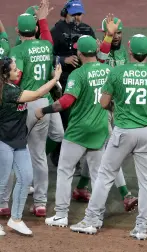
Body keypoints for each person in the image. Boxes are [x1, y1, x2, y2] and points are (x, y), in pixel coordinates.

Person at [70, 34, 147, 240]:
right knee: (146, 182)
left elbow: (103, 103)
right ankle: (141, 228)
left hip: (124, 131)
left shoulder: (117, 72)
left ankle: (92, 220)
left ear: (130, 52)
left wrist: (116, 104)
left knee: (105, 175)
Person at [30, 35, 107, 227]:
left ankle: (61, 215)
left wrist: (43, 110)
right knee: (98, 175)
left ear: (80, 53)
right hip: (100, 128)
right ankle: (97, 216)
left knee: (65, 170)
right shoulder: (107, 70)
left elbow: (65, 102)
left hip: (78, 131)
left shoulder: (78, 74)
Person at [71, 15, 138, 212]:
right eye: (112, 32)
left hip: (119, 108)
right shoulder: (99, 51)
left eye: (119, 32)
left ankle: (82, 187)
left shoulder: (124, 53)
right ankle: (126, 195)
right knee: (110, 151)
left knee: (99, 149)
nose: (116, 36)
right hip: (100, 107)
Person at [8, 5, 64, 218]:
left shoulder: (18, 51)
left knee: (15, 150)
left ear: (18, 30)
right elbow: (49, 55)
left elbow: (17, 77)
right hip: (46, 99)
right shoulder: (47, 46)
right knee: (39, 154)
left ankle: (8, 200)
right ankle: (40, 203)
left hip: (27, 103)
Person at [0, 56, 62, 236]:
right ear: (5, 74)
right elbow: (36, 95)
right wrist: (55, 79)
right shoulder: (8, 92)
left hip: (19, 141)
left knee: (26, 177)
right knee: (2, 182)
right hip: (4, 141)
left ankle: (16, 219)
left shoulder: (12, 87)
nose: (18, 70)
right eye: (14, 69)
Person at [50, 0, 96, 166]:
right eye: (74, 14)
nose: (78, 18)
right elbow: (48, 56)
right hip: (62, 81)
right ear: (65, 13)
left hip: (84, 79)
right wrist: (63, 60)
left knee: (80, 116)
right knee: (64, 119)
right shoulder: (56, 30)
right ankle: (58, 154)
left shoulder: (87, 30)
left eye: (80, 14)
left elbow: (94, 51)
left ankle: (78, 154)